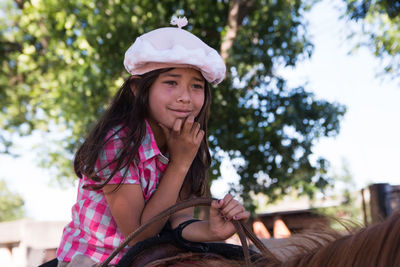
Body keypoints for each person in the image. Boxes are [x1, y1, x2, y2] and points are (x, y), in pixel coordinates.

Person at [43, 16, 250, 267]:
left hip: (152, 258)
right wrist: (179, 163)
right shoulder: (117, 143)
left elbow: (179, 219)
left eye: (196, 86)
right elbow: (139, 235)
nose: (185, 97)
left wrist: (212, 230)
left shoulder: (185, 143)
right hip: (96, 260)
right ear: (138, 88)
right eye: (171, 83)